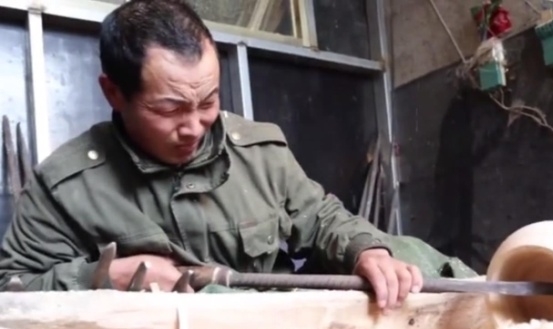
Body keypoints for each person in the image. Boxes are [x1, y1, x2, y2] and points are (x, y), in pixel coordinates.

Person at [0, 0, 423, 310]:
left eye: (208, 101)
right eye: (169, 109)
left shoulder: (258, 149)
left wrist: (366, 250)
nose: (194, 126)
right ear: (113, 92)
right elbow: (11, 289)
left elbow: (322, 218)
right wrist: (104, 277)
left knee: (414, 258)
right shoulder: (65, 184)